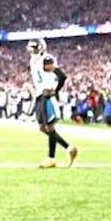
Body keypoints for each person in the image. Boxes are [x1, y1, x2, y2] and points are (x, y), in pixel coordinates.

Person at [28, 38, 76, 168]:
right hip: (39, 96)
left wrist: (54, 90)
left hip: (47, 96)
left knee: (50, 127)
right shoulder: (34, 60)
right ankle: (69, 147)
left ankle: (51, 158)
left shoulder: (46, 59)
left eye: (35, 48)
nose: (32, 50)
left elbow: (62, 76)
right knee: (43, 128)